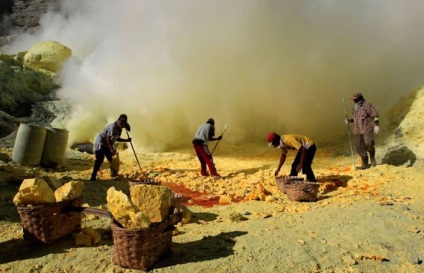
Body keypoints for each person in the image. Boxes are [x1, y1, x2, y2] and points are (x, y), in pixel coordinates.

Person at [90, 114, 132, 181]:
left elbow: (116, 139)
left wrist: (126, 140)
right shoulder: (112, 127)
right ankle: (93, 176)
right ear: (118, 120)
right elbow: (108, 138)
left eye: (124, 122)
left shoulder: (120, 128)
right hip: (101, 142)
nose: (123, 123)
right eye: (122, 121)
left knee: (112, 159)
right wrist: (111, 148)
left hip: (108, 144)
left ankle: (114, 174)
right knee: (100, 158)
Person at [345, 92, 380, 169]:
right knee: (359, 146)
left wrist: (376, 125)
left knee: (369, 143)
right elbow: (356, 119)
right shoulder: (354, 108)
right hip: (357, 130)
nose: (354, 100)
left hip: (367, 128)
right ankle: (364, 163)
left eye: (355, 99)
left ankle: (372, 157)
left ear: (360, 98)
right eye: (353, 99)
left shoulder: (368, 105)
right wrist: (350, 120)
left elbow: (375, 116)